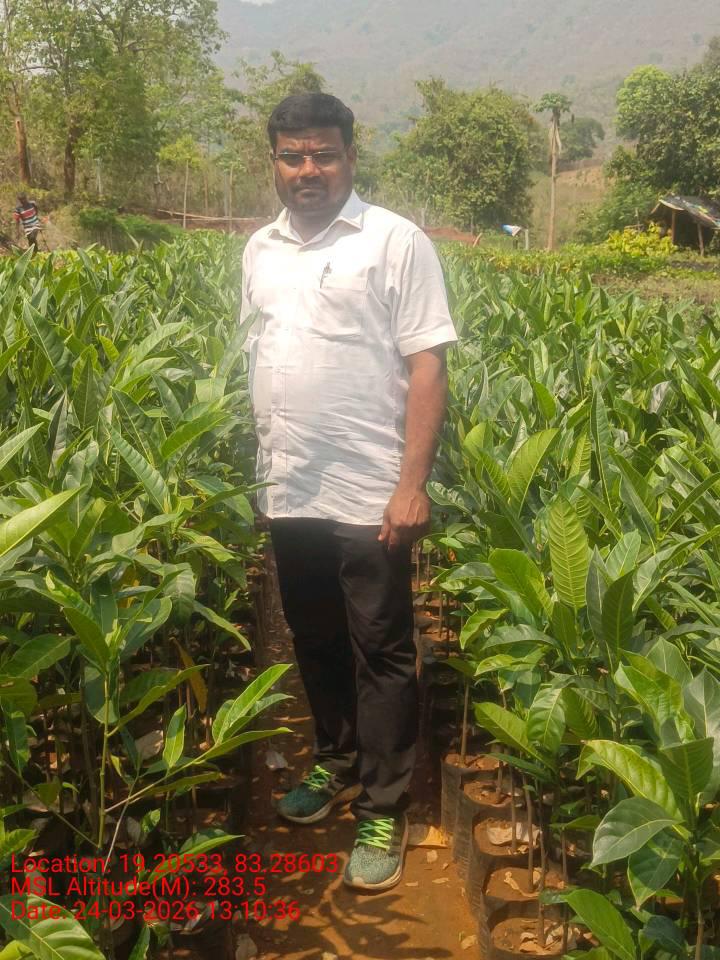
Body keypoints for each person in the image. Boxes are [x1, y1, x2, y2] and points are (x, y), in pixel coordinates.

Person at [240, 93, 457, 892]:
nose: (309, 169)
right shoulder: (260, 248)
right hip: (289, 482)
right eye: (293, 155)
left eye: (323, 154)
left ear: (351, 157)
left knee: (382, 651)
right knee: (314, 636)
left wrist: (411, 485)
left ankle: (383, 805)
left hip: (369, 488)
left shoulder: (394, 240)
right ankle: (334, 761)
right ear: (274, 162)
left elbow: (427, 364)